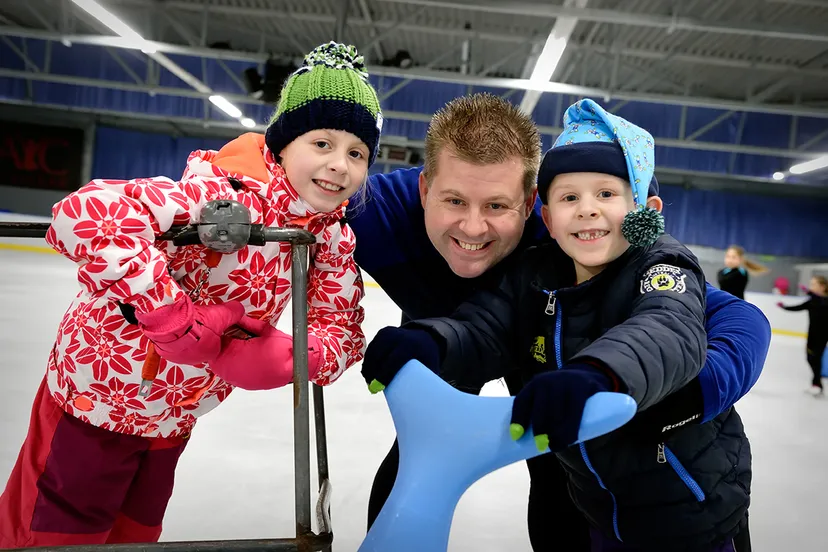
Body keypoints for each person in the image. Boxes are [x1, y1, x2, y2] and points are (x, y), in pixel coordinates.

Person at [0, 41, 381, 548]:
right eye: (322, 144)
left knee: (134, 537)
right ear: (283, 144)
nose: (340, 165)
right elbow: (86, 212)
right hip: (93, 402)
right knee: (54, 537)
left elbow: (342, 330)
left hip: (173, 419)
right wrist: (169, 315)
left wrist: (287, 357)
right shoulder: (219, 197)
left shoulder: (328, 236)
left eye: (357, 153)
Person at [350, 93, 768, 551]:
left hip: (689, 516)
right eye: (454, 201)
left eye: (496, 206)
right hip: (599, 503)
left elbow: (676, 323)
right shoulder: (530, 268)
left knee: (553, 482)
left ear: (529, 206)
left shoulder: (641, 261)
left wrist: (627, 381)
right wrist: (430, 342)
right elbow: (487, 326)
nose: (473, 227)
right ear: (425, 190)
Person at [778, 276, 828, 396]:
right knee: (810, 358)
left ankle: (816, 384)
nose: (811, 287)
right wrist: (784, 307)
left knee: (816, 358)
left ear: (823, 287)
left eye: (814, 284)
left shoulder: (824, 301)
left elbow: (821, 303)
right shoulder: (812, 301)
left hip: (823, 335)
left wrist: (810, 293)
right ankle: (817, 383)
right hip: (811, 335)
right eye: (811, 284)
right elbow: (798, 307)